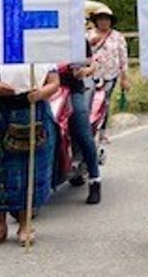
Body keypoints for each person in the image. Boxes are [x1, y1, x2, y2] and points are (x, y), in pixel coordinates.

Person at [0, 59, 60, 247]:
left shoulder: (37, 49)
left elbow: (54, 82)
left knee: (27, 170)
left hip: (30, 112)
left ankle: (25, 225)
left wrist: (40, 94)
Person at [58, 51, 102, 204]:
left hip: (72, 90)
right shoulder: (41, 35)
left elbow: (92, 64)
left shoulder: (77, 38)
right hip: (46, 92)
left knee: (83, 132)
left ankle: (95, 180)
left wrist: (85, 71)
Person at [86, 5, 130, 147]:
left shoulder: (117, 37)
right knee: (90, 102)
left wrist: (124, 77)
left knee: (105, 102)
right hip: (91, 74)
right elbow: (82, 53)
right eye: (101, 19)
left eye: (106, 19)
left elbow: (123, 57)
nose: (104, 22)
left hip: (110, 74)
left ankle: (103, 132)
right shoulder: (88, 35)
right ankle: (89, 130)